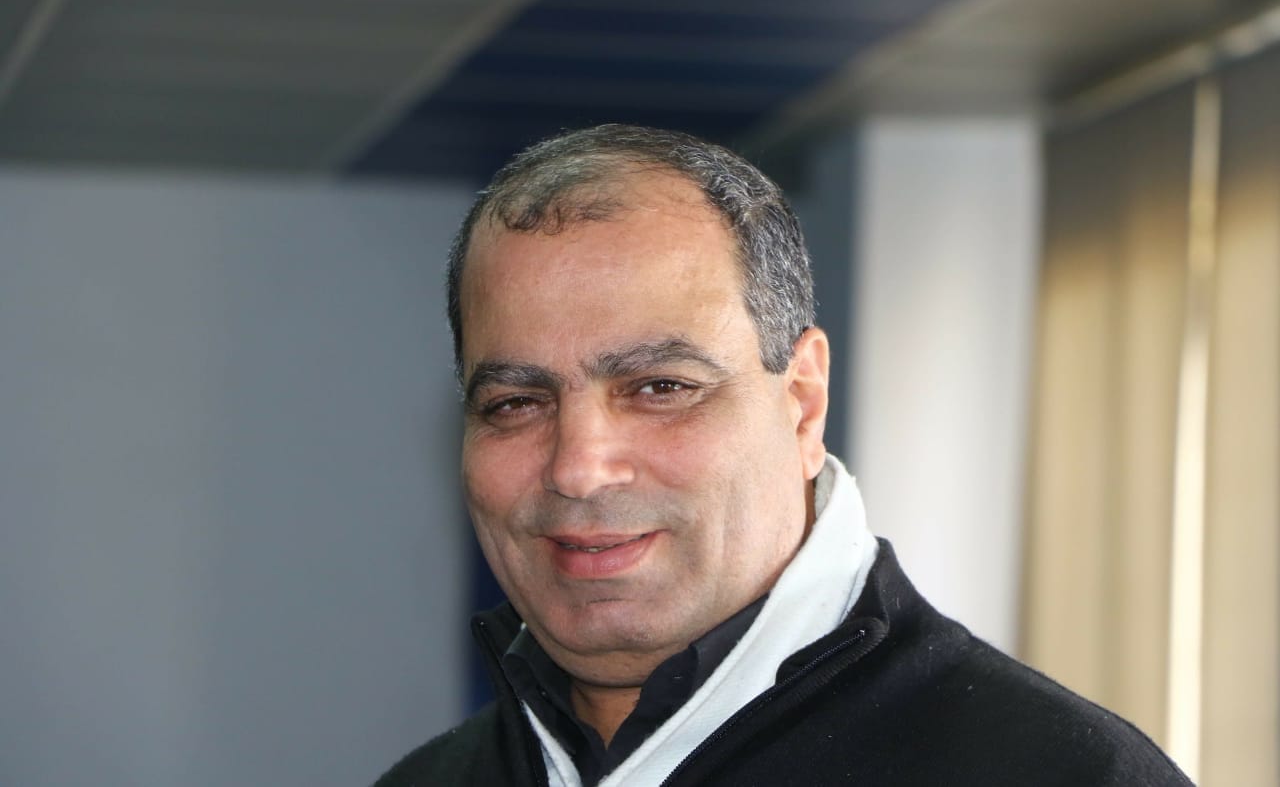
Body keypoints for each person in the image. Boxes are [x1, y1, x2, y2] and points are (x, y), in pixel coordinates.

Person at [376, 125, 1191, 786]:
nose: (578, 468)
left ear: (802, 401)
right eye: (515, 403)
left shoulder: (1060, 775)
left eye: (660, 387)